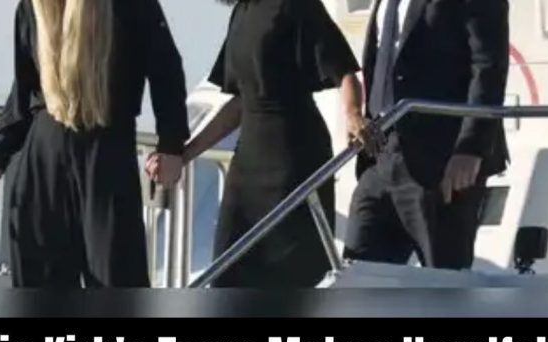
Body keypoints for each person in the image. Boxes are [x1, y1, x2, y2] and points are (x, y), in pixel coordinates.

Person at [147, 0, 365, 288]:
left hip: (294, 161)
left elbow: (345, 73)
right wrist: (185, 154)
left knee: (293, 279)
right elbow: (239, 103)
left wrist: (353, 114)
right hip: (248, 165)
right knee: (227, 271)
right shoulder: (242, 12)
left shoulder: (296, 6)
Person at [0, 0, 190, 288]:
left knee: (116, 282)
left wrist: (171, 145)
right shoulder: (33, 7)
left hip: (105, 151)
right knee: (39, 286)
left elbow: (165, 69)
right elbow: (24, 88)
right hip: (44, 154)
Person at [343, 0, 510, 270]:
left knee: (442, 279)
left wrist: (470, 147)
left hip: (441, 161)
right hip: (381, 153)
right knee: (358, 272)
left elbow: (488, 66)